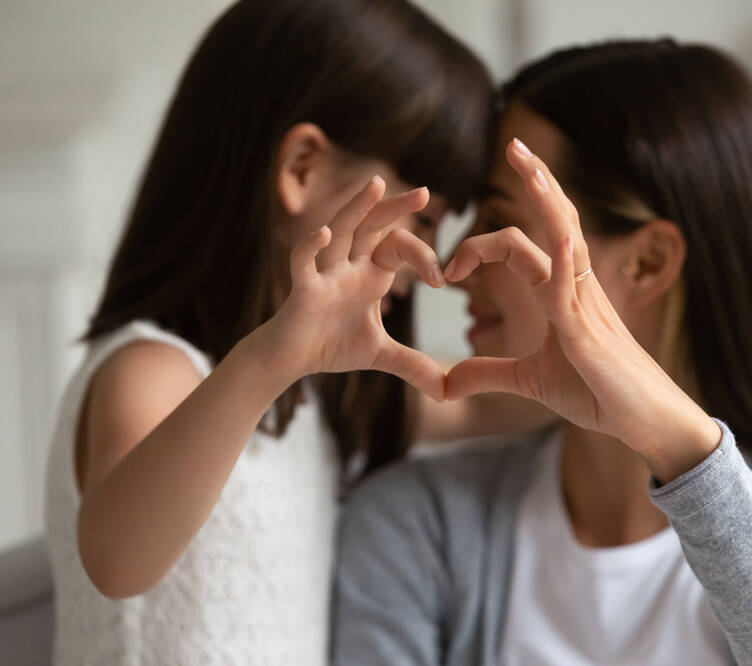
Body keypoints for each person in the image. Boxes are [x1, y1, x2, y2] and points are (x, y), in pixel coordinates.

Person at [333, 40, 752, 665]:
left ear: (647, 262)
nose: (458, 266)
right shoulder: (418, 525)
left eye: (497, 217)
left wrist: (684, 452)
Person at [43, 0, 496, 663]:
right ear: (301, 168)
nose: (427, 263)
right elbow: (116, 562)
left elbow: (483, 399)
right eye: (425, 219)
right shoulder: (152, 370)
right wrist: (269, 361)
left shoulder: (321, 398)